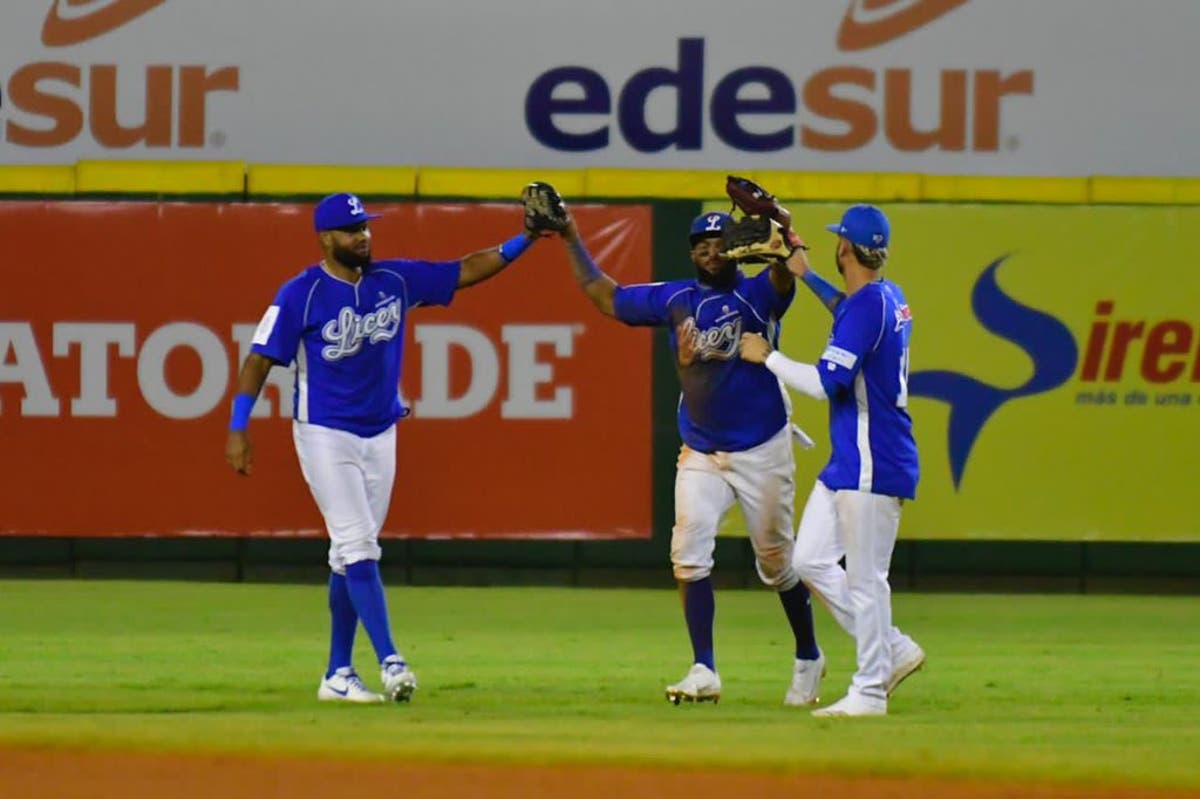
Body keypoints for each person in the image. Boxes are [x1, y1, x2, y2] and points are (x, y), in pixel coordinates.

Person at [224, 191, 540, 703]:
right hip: (325, 432)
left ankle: (337, 674)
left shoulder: (392, 281)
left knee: (345, 555)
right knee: (359, 546)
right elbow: (259, 361)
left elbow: (464, 270)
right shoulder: (300, 293)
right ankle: (392, 660)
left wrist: (525, 238)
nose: (364, 236)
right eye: (352, 230)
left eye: (366, 227)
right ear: (327, 239)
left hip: (381, 432)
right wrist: (238, 428)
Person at [555, 199, 824, 707]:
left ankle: (809, 655)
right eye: (701, 245)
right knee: (688, 555)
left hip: (761, 447)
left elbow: (786, 279)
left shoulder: (757, 293)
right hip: (701, 449)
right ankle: (704, 668)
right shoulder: (676, 297)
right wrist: (571, 235)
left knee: (776, 565)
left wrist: (784, 234)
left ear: (738, 250)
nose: (709, 252)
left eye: (719, 243)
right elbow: (605, 296)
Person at [739, 204, 925, 717]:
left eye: (837, 242)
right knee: (809, 560)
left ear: (845, 247)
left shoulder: (868, 308)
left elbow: (826, 384)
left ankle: (868, 692)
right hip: (852, 458)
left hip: (873, 459)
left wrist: (767, 357)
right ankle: (893, 649)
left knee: (867, 580)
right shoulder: (885, 296)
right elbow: (849, 308)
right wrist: (806, 274)